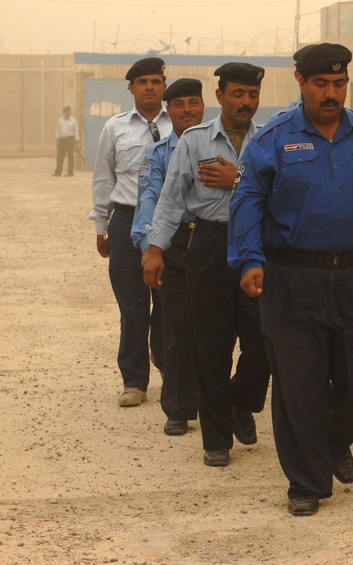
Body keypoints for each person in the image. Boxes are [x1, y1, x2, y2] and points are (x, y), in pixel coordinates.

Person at [228, 43, 353, 516]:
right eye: (321, 84)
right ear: (301, 82)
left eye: (339, 84)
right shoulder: (272, 140)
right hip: (292, 277)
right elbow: (246, 202)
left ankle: (330, 441)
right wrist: (250, 260)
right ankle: (306, 483)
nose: (331, 94)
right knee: (298, 383)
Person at [143, 62, 271, 467]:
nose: (246, 101)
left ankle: (238, 402)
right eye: (238, 94)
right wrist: (154, 248)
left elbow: (282, 194)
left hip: (255, 247)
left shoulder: (268, 141)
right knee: (210, 348)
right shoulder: (195, 142)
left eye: (252, 94)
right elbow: (171, 199)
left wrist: (238, 179)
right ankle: (216, 440)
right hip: (208, 244)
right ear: (220, 97)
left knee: (263, 342)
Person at [91, 57, 170, 407]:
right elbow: (103, 178)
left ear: (163, 85)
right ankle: (134, 381)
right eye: (142, 82)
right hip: (124, 222)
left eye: (155, 81)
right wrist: (100, 226)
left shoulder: (182, 125)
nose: (149, 87)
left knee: (169, 306)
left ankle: (173, 373)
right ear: (131, 89)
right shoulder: (115, 128)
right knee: (133, 308)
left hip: (170, 225)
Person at [131, 78, 204, 436]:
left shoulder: (215, 146)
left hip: (213, 243)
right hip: (173, 245)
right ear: (168, 110)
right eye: (179, 104)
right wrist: (149, 248)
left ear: (205, 106)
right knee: (175, 329)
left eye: (194, 102)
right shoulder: (156, 155)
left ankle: (223, 401)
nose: (188, 109)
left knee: (222, 328)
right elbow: (148, 201)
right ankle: (178, 408)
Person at [54, 106, 79, 177]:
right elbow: (58, 131)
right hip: (62, 140)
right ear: (64, 113)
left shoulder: (73, 121)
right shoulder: (60, 120)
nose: (67, 113)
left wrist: (76, 141)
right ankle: (58, 172)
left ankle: (70, 173)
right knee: (59, 157)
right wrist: (57, 140)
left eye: (68, 112)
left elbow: (76, 131)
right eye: (66, 112)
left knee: (70, 157)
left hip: (70, 140)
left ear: (70, 112)